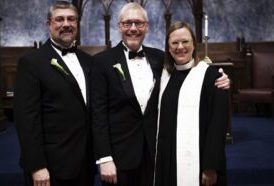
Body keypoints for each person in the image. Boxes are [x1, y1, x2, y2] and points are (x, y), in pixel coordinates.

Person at [91, 3, 229, 186]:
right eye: (127, 23)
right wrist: (105, 158)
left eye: (139, 23)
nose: (133, 28)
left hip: (156, 156)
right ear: (119, 26)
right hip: (120, 158)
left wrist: (223, 79)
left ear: (147, 27)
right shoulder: (101, 62)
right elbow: (98, 114)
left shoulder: (160, 59)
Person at [14, 1, 94, 186]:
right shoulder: (31, 63)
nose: (66, 24)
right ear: (49, 24)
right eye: (60, 19)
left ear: (77, 23)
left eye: (71, 19)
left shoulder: (88, 61)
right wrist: (37, 166)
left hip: (84, 162)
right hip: (50, 165)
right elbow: (26, 119)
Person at [154, 21, 228, 186]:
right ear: (168, 47)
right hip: (167, 162)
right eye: (174, 43)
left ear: (194, 44)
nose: (180, 47)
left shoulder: (212, 78)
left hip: (200, 163)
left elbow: (218, 126)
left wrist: (211, 166)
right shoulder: (164, 76)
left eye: (185, 41)